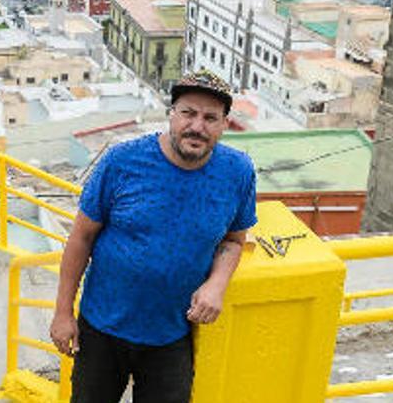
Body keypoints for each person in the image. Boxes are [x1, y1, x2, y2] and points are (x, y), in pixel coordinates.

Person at [49, 69, 257, 403]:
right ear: (171, 114)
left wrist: (217, 284)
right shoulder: (122, 162)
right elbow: (81, 238)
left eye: (210, 118)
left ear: (224, 124)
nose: (197, 126)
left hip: (171, 333)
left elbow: (233, 240)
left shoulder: (238, 172)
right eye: (188, 113)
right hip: (102, 327)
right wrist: (62, 313)